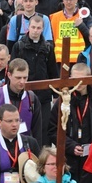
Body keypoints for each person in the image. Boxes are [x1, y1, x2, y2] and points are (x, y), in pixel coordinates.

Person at [11, 15, 58, 144]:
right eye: (33, 27)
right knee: (24, 125)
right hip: (23, 93)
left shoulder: (48, 48)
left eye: (39, 28)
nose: (35, 30)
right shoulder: (19, 46)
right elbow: (11, 70)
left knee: (43, 128)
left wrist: (55, 94)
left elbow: (53, 71)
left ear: (43, 29)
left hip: (43, 95)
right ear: (28, 27)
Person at [49, 0, 91, 64]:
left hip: (80, 59)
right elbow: (50, 39)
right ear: (63, 0)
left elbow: (91, 37)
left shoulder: (84, 16)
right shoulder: (54, 17)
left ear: (76, 0)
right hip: (59, 60)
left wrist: (81, 25)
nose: (68, 2)